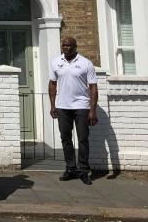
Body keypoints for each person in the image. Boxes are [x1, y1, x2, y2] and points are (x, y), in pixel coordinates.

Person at [48, 37, 98, 185]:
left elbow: (93, 87)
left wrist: (92, 110)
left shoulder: (85, 63)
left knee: (83, 138)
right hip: (63, 106)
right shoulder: (56, 62)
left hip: (82, 106)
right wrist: (52, 105)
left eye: (69, 46)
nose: (66, 47)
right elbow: (52, 84)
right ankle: (70, 168)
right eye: (64, 45)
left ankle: (83, 170)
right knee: (65, 138)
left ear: (75, 47)